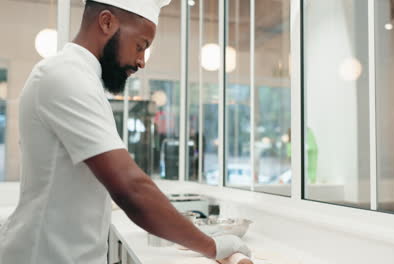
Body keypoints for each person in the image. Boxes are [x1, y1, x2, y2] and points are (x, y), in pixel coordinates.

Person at [0, 0, 250, 263]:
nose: (142, 61)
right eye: (140, 46)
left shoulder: (81, 79)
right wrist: (212, 246)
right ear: (107, 22)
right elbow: (131, 188)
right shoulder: (64, 76)